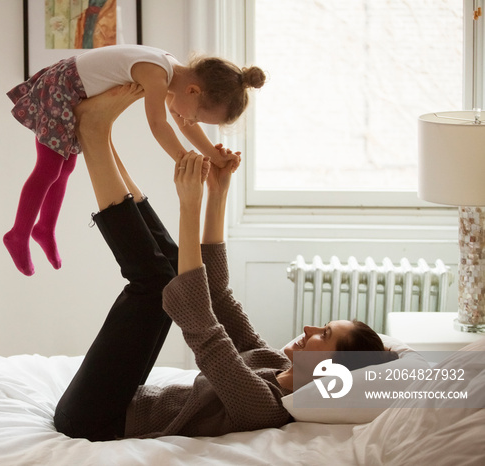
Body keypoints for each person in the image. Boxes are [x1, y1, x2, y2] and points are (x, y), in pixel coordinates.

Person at [52, 84, 398, 441]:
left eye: (325, 335)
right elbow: (218, 295)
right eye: (322, 326)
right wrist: (217, 194)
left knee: (155, 283)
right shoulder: (274, 363)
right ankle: (101, 136)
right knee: (169, 265)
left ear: (331, 372)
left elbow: (202, 327)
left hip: (94, 420)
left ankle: (92, 132)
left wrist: (190, 205)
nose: (309, 329)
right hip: (123, 398)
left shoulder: (265, 406)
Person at [4, 44, 265, 275]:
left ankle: (44, 228)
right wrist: (183, 159)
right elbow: (158, 124)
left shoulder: (172, 74)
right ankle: (18, 234)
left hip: (70, 90)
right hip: (61, 88)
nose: (192, 121)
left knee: (65, 167)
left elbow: (183, 124)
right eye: (197, 116)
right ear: (194, 91)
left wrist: (213, 155)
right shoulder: (156, 74)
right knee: (49, 169)